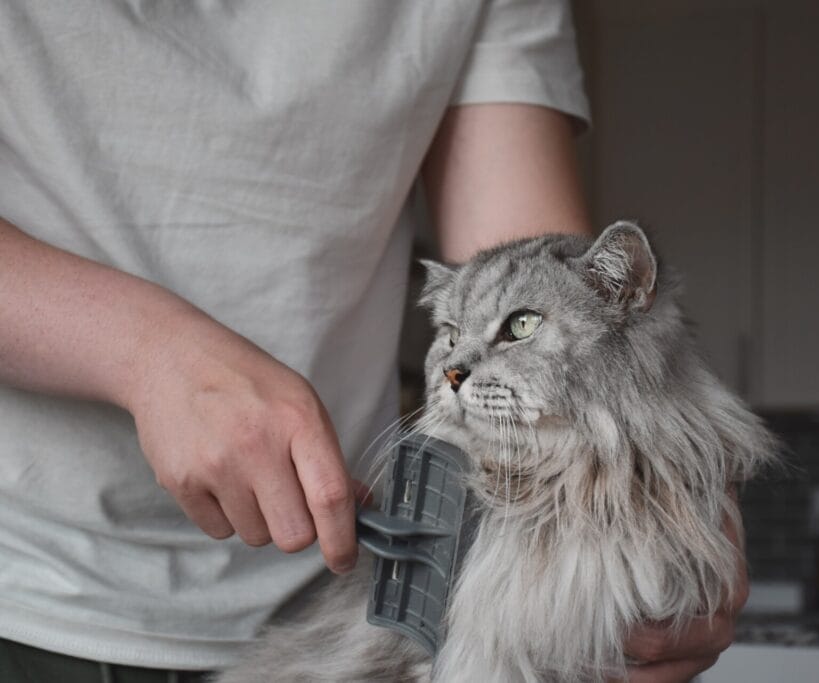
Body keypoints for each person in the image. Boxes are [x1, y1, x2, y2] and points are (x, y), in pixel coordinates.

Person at [0, 2, 746, 681]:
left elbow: (516, 265)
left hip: (363, 603)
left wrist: (668, 490)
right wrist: (148, 354)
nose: (452, 367)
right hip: (35, 598)